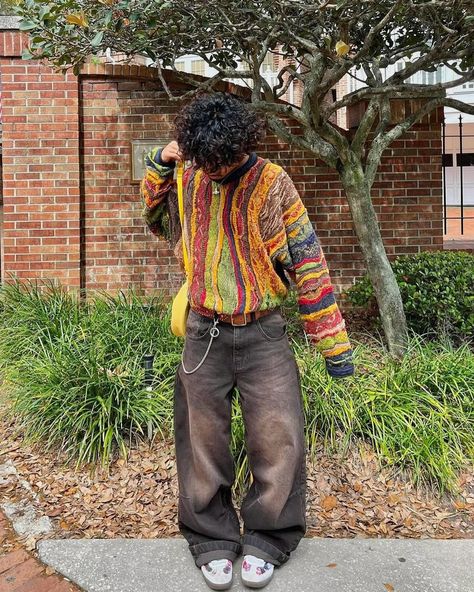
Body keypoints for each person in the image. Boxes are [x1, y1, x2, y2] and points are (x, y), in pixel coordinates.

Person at [141, 92, 354, 590]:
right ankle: (210, 538)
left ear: (240, 147)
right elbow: (156, 221)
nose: (213, 170)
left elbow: (308, 263)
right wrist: (160, 163)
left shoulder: (274, 183)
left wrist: (334, 346)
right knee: (202, 439)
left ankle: (270, 538)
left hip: (263, 331)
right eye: (203, 160)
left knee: (277, 436)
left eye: (221, 161)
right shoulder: (191, 175)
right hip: (203, 329)